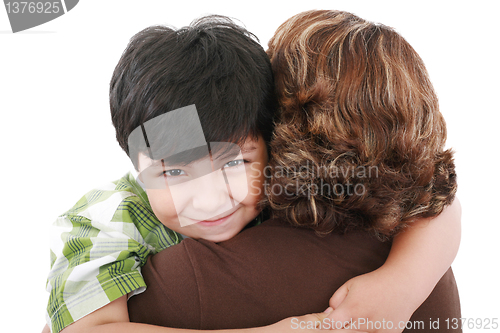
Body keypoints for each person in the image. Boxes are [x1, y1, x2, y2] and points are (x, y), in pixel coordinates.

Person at [44, 12, 460, 333]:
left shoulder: (282, 186)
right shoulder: (102, 225)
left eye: (232, 163)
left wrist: (400, 284)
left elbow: (439, 202)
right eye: (173, 173)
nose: (210, 199)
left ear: (273, 140)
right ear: (135, 163)